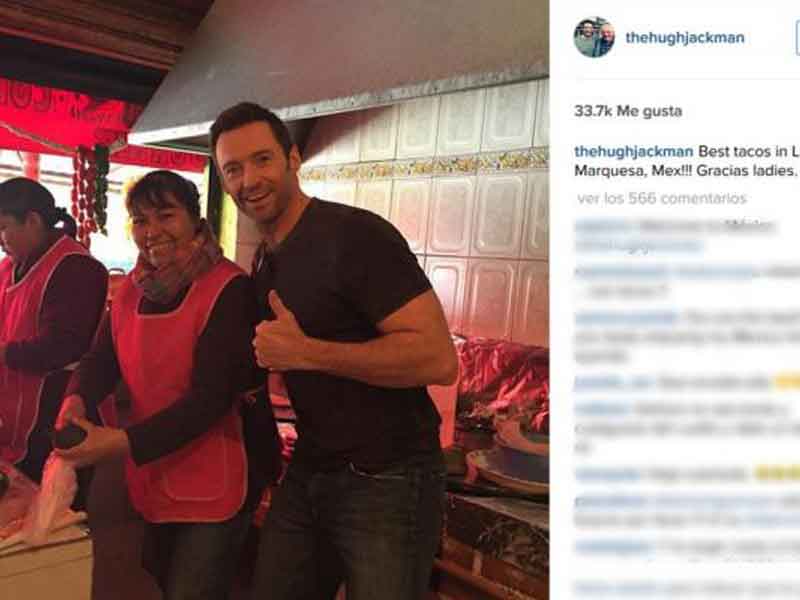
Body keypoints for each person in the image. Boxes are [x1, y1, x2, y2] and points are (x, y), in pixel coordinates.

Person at [210, 102, 459, 600]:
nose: (249, 180)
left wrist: (308, 353)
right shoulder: (266, 259)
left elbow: (437, 359)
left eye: (262, 160)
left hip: (389, 476)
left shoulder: (354, 236)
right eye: (233, 169)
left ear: (293, 159)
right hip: (313, 465)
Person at [55, 170, 281, 600]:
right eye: (140, 220)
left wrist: (119, 442)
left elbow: (211, 400)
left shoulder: (229, 289)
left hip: (217, 473)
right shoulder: (132, 289)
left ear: (195, 220)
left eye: (166, 215)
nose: (151, 231)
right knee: (162, 577)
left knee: (193, 590)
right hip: (156, 469)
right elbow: (101, 359)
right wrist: (77, 398)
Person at [0, 177, 106, 507]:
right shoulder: (9, 267)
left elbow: (62, 346)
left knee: (57, 523)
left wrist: (3, 353)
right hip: (14, 421)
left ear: (32, 221)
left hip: (57, 420)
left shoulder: (75, 268)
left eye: (3, 228)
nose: (1, 240)